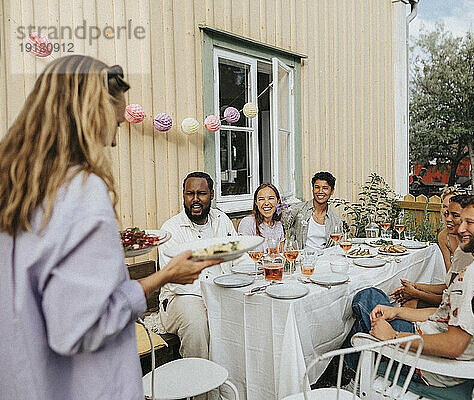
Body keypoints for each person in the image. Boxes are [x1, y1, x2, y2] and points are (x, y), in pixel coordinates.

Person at [0, 55, 220, 399]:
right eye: (116, 124)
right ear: (90, 112)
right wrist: (162, 277)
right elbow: (79, 327)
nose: (115, 141)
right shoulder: (81, 190)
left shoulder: (15, 187)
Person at [347, 194, 474, 388]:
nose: (461, 228)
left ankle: (356, 378)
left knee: (365, 300)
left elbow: (453, 346)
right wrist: (396, 311)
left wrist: (392, 336)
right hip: (441, 342)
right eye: (461, 221)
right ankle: (357, 375)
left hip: (435, 369)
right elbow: (444, 314)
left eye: (469, 222)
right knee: (377, 308)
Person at [158, 171, 241, 360]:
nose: (195, 199)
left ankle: (234, 381)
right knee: (195, 323)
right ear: (184, 195)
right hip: (182, 297)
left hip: (221, 293)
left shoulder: (221, 220)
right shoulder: (170, 230)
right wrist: (215, 296)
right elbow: (175, 282)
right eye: (189, 194)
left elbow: (238, 255)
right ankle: (200, 386)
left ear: (211, 194)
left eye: (201, 194)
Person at [393, 195, 474, 308]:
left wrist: (416, 293)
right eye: (447, 213)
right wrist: (415, 286)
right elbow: (449, 284)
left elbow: (452, 299)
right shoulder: (445, 237)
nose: (448, 219)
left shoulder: (471, 250)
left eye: (454, 215)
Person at [286, 171, 343, 249]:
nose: (320, 191)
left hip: (324, 259)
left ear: (332, 191)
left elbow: (336, 247)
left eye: (325, 188)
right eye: (317, 187)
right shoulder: (298, 210)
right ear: (312, 189)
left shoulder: (335, 221)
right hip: (301, 258)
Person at [237, 183, 286, 252]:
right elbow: (243, 253)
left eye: (271, 198)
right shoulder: (248, 223)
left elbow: (282, 254)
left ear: (278, 201)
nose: (266, 203)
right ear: (256, 203)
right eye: (261, 199)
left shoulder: (278, 225)